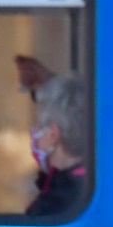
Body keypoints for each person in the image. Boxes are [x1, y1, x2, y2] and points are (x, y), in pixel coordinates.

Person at [21, 70, 87, 216]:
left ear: (53, 134)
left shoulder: (50, 209)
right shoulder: (94, 188)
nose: (34, 136)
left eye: (38, 126)